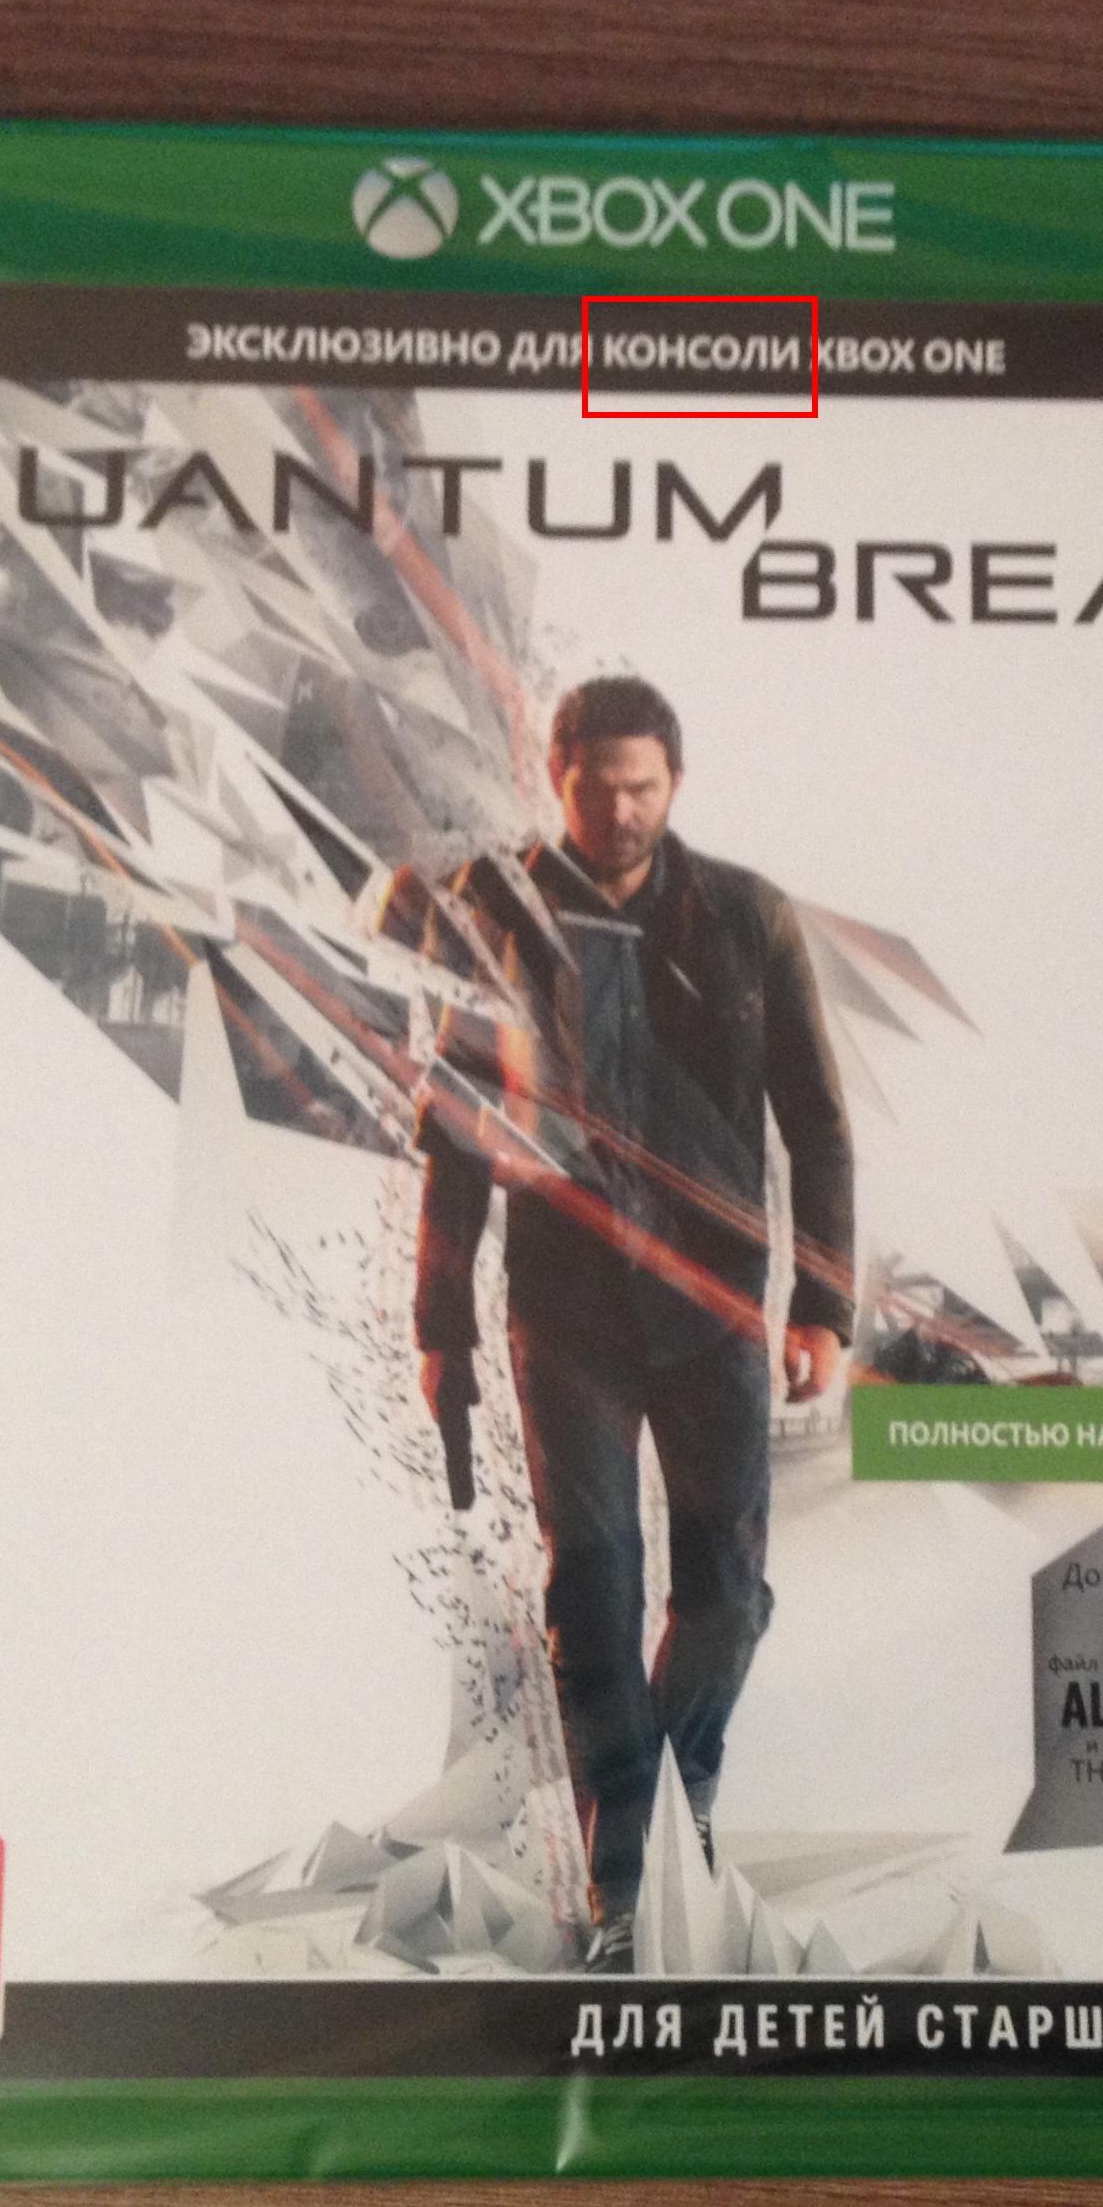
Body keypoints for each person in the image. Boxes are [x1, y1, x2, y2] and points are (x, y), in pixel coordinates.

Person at [412, 675, 853, 1971]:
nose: (619, 811)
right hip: (565, 1310)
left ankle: (677, 1797)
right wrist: (441, 1322)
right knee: (592, 1592)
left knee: (728, 1591)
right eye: (596, 787)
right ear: (555, 777)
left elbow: (817, 1121)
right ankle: (625, 1875)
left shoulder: (749, 917)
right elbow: (455, 1126)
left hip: (716, 1307)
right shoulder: (495, 913)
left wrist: (824, 1305)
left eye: (642, 787)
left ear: (676, 784)